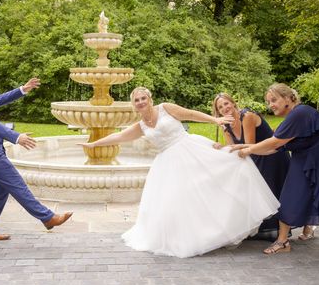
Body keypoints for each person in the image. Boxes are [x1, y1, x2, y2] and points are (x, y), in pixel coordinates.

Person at [79, 87, 280, 258]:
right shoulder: (140, 126)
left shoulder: (165, 108)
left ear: (150, 100)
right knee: (174, 200)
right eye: (136, 100)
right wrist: (94, 143)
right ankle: (181, 235)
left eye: (143, 98)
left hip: (189, 149)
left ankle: (223, 227)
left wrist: (214, 120)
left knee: (214, 181)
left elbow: (190, 114)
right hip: (167, 162)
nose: (141, 102)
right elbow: (120, 136)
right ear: (134, 105)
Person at [231, 83, 319, 256]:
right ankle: (282, 242)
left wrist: (248, 150)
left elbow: (274, 143)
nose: (271, 105)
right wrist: (244, 148)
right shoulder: (291, 119)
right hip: (305, 157)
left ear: (288, 98)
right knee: (290, 194)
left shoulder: (301, 112)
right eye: (269, 102)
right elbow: (273, 147)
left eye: (274, 100)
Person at [0, 65, 72, 240]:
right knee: (18, 185)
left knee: (1, 191)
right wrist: (16, 137)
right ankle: (48, 218)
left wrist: (22, 90)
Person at [212, 92, 291, 241]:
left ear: (233, 103)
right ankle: (261, 228)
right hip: (254, 158)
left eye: (226, 103)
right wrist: (221, 147)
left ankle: (279, 231)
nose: (225, 108)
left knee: (273, 192)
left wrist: (234, 149)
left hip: (271, 156)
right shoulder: (226, 126)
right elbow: (233, 149)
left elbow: (251, 145)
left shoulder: (246, 116)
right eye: (220, 107)